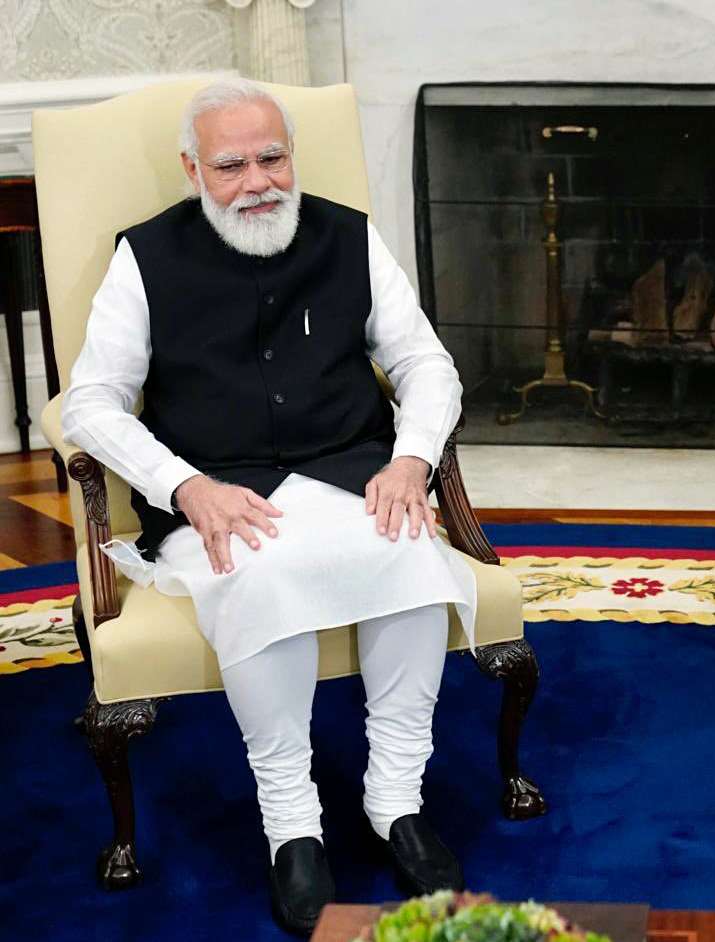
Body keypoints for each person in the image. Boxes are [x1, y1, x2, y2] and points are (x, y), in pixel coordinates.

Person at [63, 78, 474, 935]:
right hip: (220, 496)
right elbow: (91, 403)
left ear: (294, 154)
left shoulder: (350, 236)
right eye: (232, 164)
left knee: (407, 552)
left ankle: (395, 799)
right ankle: (293, 826)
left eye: (273, 156)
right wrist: (185, 486)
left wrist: (411, 460)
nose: (259, 180)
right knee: (258, 574)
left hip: (352, 472)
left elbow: (427, 366)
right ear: (192, 169)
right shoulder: (143, 257)